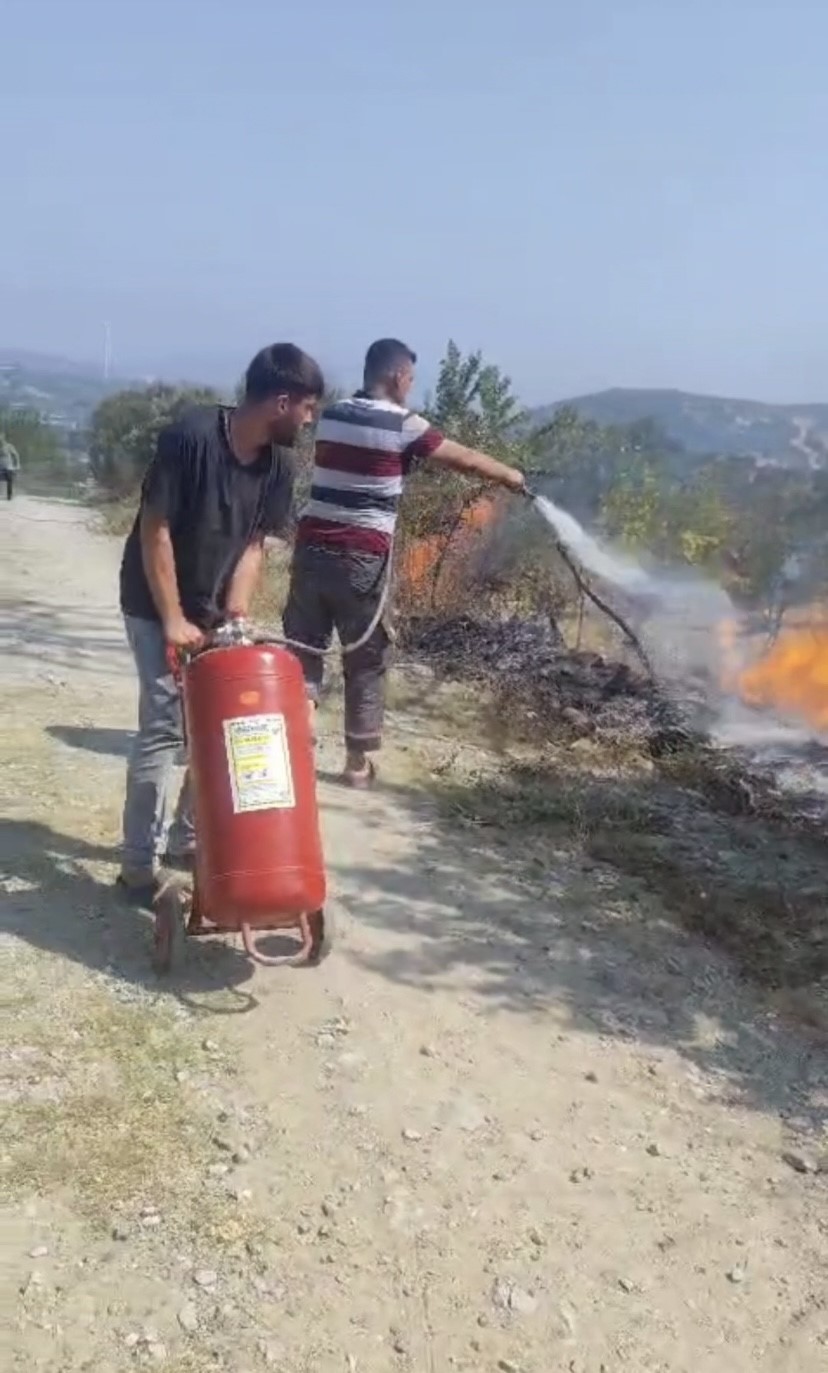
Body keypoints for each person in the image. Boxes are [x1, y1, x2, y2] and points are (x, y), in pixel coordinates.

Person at [118, 342, 324, 897]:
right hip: (152, 601)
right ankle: (138, 864)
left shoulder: (277, 465)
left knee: (214, 726)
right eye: (307, 409)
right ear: (282, 401)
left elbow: (256, 543)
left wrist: (236, 614)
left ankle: (187, 842)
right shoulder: (190, 438)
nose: (309, 421)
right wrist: (170, 619)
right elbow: (153, 530)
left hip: (211, 608)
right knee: (165, 731)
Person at [283, 337, 525, 787]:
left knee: (305, 648)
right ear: (397, 376)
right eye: (411, 378)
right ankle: (356, 765)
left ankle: (297, 745)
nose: (411, 386)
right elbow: (464, 461)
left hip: (311, 549)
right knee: (366, 656)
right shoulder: (403, 424)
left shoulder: (331, 415)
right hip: (363, 559)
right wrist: (510, 476)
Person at [1, 434, 20, 500]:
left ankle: (9, 496)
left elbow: (16, 455)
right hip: (1, 466)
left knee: (9, 481)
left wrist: (17, 464)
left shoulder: (9, 446)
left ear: (3, 438)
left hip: (8, 466)